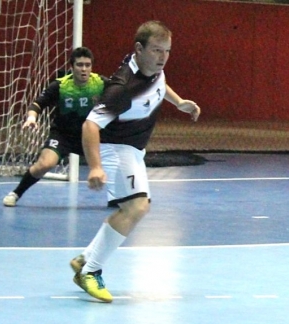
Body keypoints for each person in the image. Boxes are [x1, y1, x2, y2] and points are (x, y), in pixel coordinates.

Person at [70, 21, 200, 303]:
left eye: (167, 50)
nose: (163, 57)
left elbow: (160, 84)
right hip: (117, 149)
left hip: (133, 149)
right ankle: (91, 271)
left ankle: (85, 258)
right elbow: (90, 126)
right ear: (139, 49)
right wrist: (95, 166)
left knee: (138, 206)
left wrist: (179, 102)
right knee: (137, 206)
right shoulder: (121, 88)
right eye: (157, 50)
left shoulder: (150, 67)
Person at [3, 47, 107, 207]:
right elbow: (38, 104)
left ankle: (119, 200)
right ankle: (16, 193)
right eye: (80, 65)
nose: (84, 69)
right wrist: (31, 118)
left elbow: (124, 94)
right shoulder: (61, 86)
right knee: (44, 164)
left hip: (90, 137)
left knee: (117, 162)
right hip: (63, 135)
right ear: (71, 67)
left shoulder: (100, 83)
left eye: (87, 65)